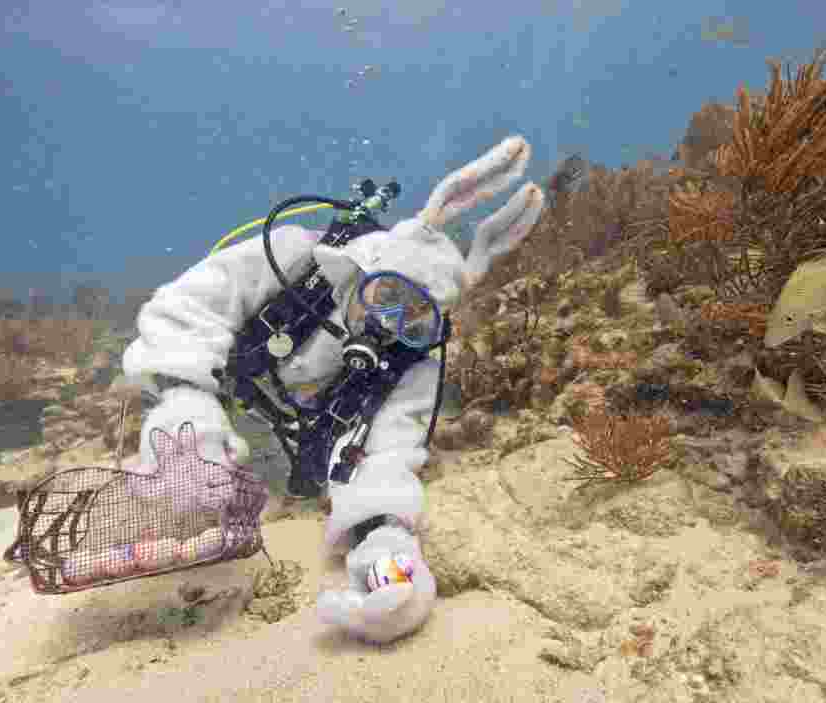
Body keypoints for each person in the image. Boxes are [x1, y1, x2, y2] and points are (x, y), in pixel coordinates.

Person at [120, 136, 545, 644]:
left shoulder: (412, 367)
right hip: (210, 408)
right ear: (363, 271)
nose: (388, 324)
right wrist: (186, 405)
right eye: (387, 295)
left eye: (411, 318)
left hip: (276, 476)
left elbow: (385, 457)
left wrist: (389, 556)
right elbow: (187, 308)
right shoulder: (294, 257)